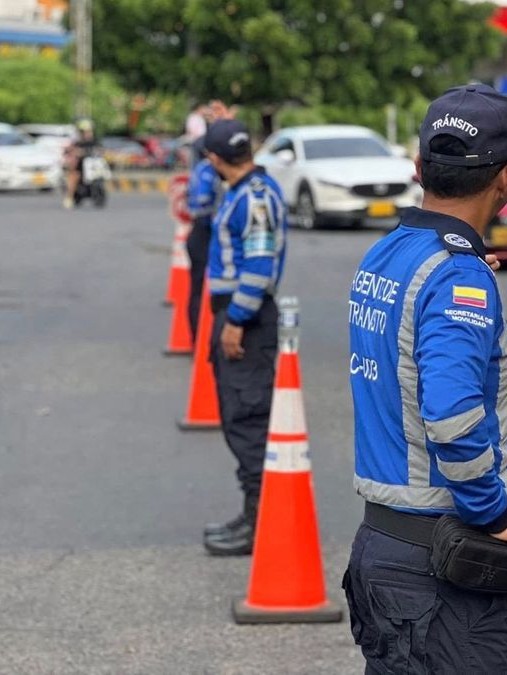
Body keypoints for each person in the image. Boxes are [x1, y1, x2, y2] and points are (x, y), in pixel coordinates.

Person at [343, 84, 507, 674]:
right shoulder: (457, 276)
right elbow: (453, 419)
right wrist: (499, 516)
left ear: (418, 168)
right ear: (506, 177)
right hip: (436, 571)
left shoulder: (386, 255)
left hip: (383, 552)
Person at [198, 119, 288, 556]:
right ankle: (253, 513)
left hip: (245, 318)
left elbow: (258, 264)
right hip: (238, 313)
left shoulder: (253, 198)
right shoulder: (248, 191)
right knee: (239, 416)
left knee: (248, 418)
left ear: (214, 159)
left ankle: (259, 522)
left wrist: (235, 320)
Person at [186, 143, 223, 338]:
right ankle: (201, 338)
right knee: (203, 289)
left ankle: (198, 337)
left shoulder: (200, 169)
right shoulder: (209, 172)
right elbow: (203, 200)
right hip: (204, 232)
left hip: (199, 231)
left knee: (198, 288)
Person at [63, 120, 99, 209]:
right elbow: (69, 150)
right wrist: (74, 152)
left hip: (93, 166)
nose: (87, 133)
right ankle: (69, 196)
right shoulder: (77, 142)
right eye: (85, 132)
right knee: (74, 175)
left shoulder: (95, 141)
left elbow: (101, 150)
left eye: (89, 131)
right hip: (80, 166)